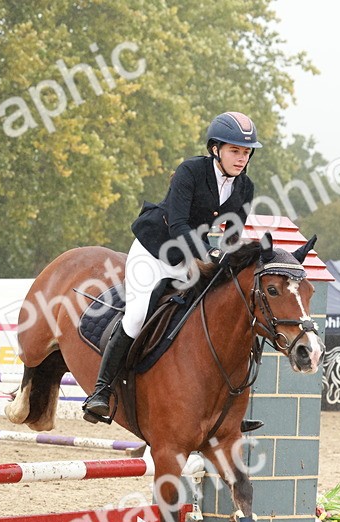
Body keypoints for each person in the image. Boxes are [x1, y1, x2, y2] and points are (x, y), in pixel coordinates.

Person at [82, 111, 263, 431]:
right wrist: (206, 255)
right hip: (155, 251)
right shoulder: (190, 172)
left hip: (191, 255)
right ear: (215, 149)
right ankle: (102, 390)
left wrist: (228, 261)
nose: (241, 158)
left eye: (246, 152)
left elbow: (233, 235)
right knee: (137, 315)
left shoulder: (244, 187)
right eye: (235, 150)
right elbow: (178, 223)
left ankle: (226, 406)